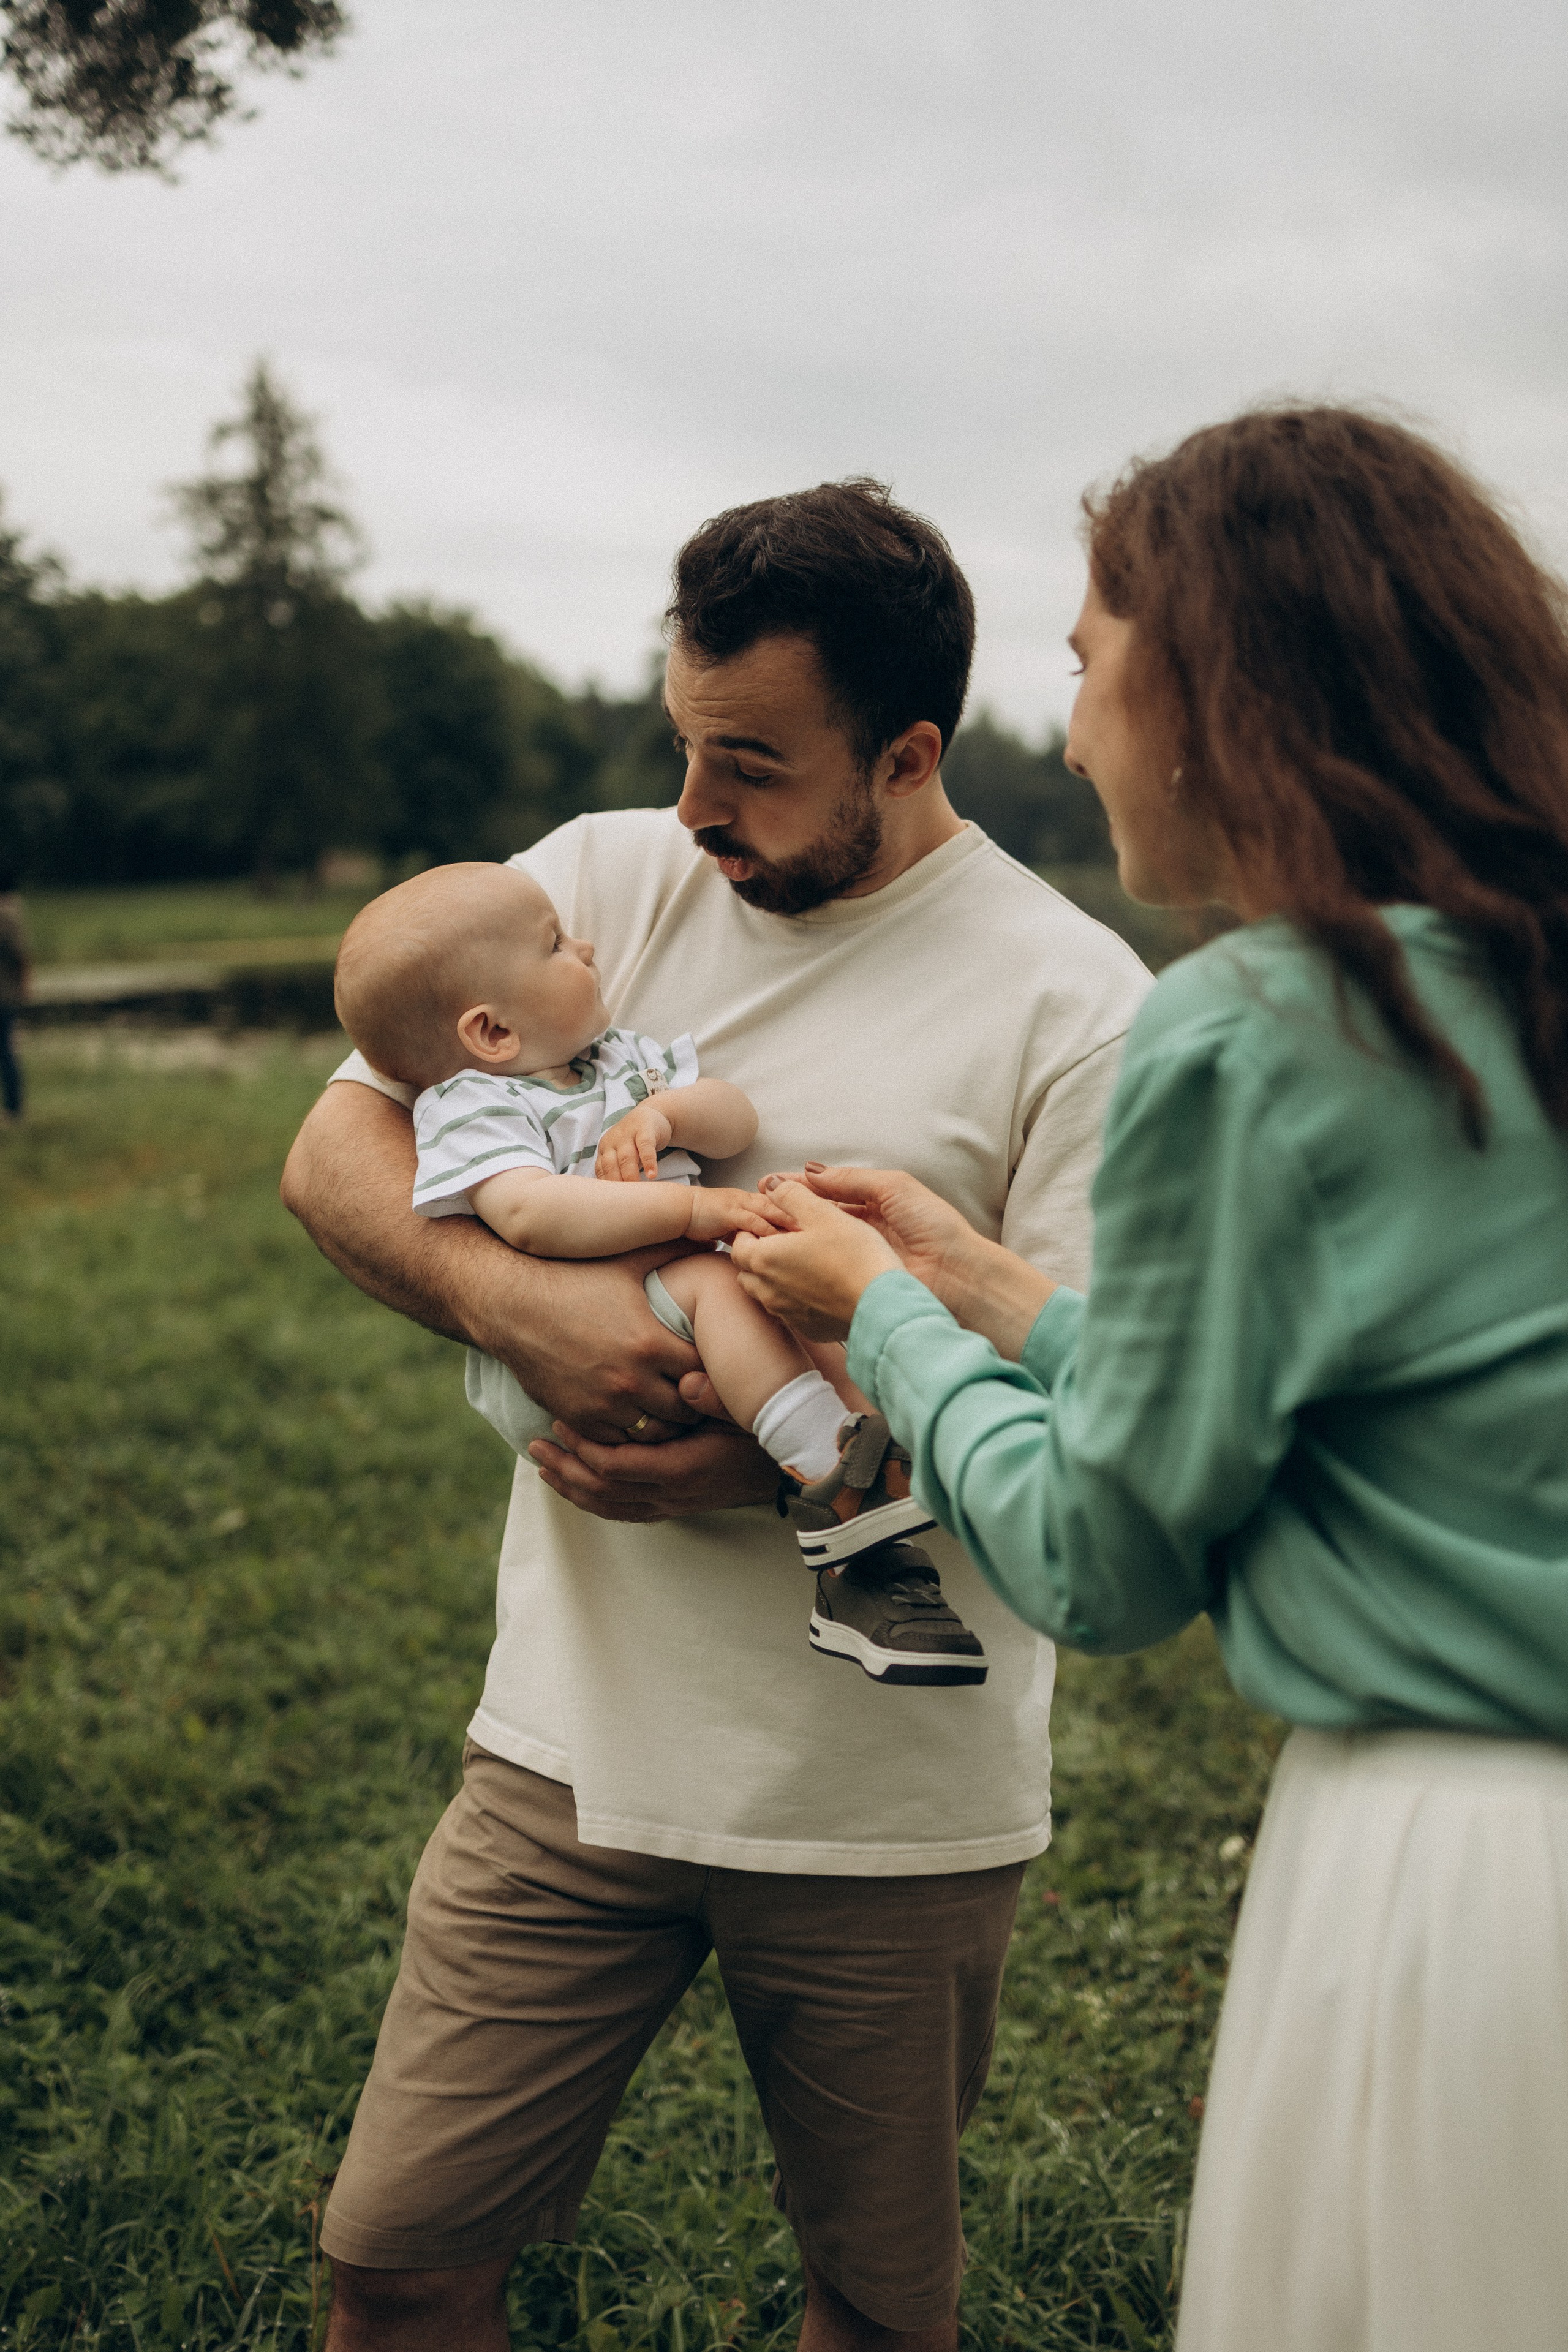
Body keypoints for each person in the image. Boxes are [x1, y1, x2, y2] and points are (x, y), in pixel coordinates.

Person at [729, 410, 1568, 2352]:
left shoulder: (1259, 1020)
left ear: (1210, 690)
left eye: (1093, 663)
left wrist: (889, 1317)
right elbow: (1392, 1426)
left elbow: (1107, 1554)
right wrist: (1007, 1293)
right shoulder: (1517, 985)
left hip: (1458, 1876)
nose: (1083, 725)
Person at [281, 478, 1150, 2352]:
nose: (697, 812)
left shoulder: (1079, 1006)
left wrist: (770, 1464)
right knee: (399, 2261)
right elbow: (336, 1141)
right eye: (688, 747)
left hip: (889, 1803)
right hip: (565, 1751)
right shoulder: (588, 885)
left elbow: (1099, 1442)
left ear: (904, 753)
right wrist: (527, 1306)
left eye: (751, 768)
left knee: (870, 2304)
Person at [331, 856, 983, 1683]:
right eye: (557, 945)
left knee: (786, 1274)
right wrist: (692, 1212)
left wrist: (668, 1110)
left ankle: (868, 1463)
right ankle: (831, 1471)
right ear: (490, 1032)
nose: (590, 946)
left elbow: (734, 1120)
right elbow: (528, 1214)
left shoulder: (618, 1061)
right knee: (726, 1283)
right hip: (566, 1336)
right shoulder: (476, 1105)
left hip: (664, 1284)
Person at [0, 865, 30, 1123]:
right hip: (8, 992)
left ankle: (14, 1109)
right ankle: (13, 1108)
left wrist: (23, 986)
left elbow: (20, 955)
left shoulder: (6, 914)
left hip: (4, 993)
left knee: (6, 1050)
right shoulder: (13, 911)